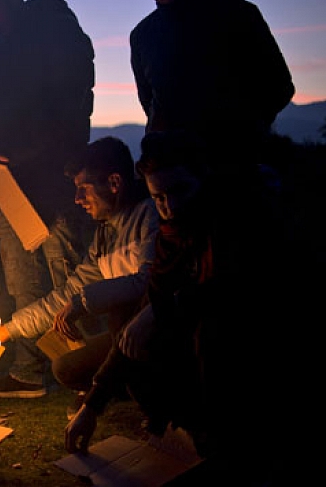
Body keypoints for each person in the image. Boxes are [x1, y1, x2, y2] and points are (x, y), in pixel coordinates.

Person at [65, 130, 290, 485]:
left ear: (203, 180)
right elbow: (150, 299)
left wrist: (164, 307)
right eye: (159, 197)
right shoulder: (170, 236)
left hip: (255, 345)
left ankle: (224, 436)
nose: (170, 206)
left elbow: (240, 290)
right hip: (192, 339)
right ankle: (174, 421)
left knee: (206, 330)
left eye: (179, 191)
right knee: (129, 326)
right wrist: (92, 406)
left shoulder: (235, 223)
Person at [0, 0, 96, 396]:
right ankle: (28, 370)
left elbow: (66, 112)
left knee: (65, 280)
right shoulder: (1, 48)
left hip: (53, 181)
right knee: (22, 280)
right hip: (11, 184)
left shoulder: (54, 31)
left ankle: (86, 369)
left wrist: (20, 151)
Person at [0, 137, 158, 398]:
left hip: (158, 326)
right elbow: (66, 296)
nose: (77, 199)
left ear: (115, 183)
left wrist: (83, 302)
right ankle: (120, 387)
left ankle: (143, 390)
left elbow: (148, 281)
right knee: (66, 368)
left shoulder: (150, 214)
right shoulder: (104, 235)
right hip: (123, 333)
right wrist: (6, 331)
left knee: (119, 330)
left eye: (84, 188)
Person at [128, 0, 295, 170]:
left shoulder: (239, 14)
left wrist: (237, 135)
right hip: (173, 179)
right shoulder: (142, 35)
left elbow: (279, 87)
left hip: (236, 170)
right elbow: (150, 105)